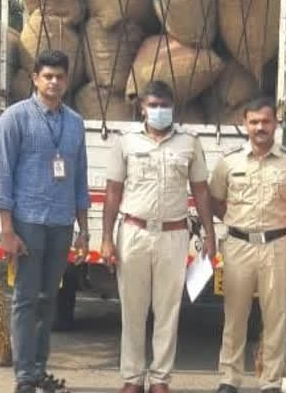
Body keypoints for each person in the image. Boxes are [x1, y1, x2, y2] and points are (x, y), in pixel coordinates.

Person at [100, 80, 216, 393]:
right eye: (153, 105)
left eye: (165, 106)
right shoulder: (125, 142)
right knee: (132, 310)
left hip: (173, 235)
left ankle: (161, 379)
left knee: (168, 310)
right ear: (142, 108)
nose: (159, 111)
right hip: (134, 232)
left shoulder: (189, 142)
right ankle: (132, 378)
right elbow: (113, 192)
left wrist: (210, 234)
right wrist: (107, 238)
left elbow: (201, 191)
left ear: (173, 108)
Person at [0, 50, 90, 393]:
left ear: (67, 80)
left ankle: (39, 369)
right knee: (26, 298)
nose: (54, 82)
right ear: (35, 78)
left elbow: (79, 178)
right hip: (27, 221)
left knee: (50, 298)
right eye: (47, 76)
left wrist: (84, 230)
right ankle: (24, 376)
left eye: (60, 76)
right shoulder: (15, 118)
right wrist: (6, 228)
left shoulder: (75, 123)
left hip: (61, 222)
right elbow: (2, 175)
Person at [209, 96, 286, 393]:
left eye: (266, 121)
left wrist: (282, 227)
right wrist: (236, 221)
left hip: (277, 245)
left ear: (275, 123)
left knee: (275, 315)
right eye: (254, 122)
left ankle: (270, 381)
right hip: (239, 245)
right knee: (235, 315)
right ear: (245, 124)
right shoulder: (229, 162)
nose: (260, 127)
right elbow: (216, 201)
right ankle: (229, 378)